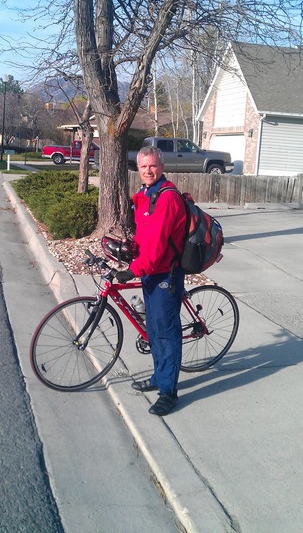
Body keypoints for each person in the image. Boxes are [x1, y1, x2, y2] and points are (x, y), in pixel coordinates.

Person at [115, 146, 187, 416]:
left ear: (162, 167)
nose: (148, 170)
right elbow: (145, 237)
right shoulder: (146, 195)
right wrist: (129, 247)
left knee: (166, 333)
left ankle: (169, 392)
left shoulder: (167, 199)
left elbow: (157, 250)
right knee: (154, 329)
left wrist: (132, 270)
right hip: (150, 272)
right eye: (143, 166)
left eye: (153, 166)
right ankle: (158, 377)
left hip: (165, 274)